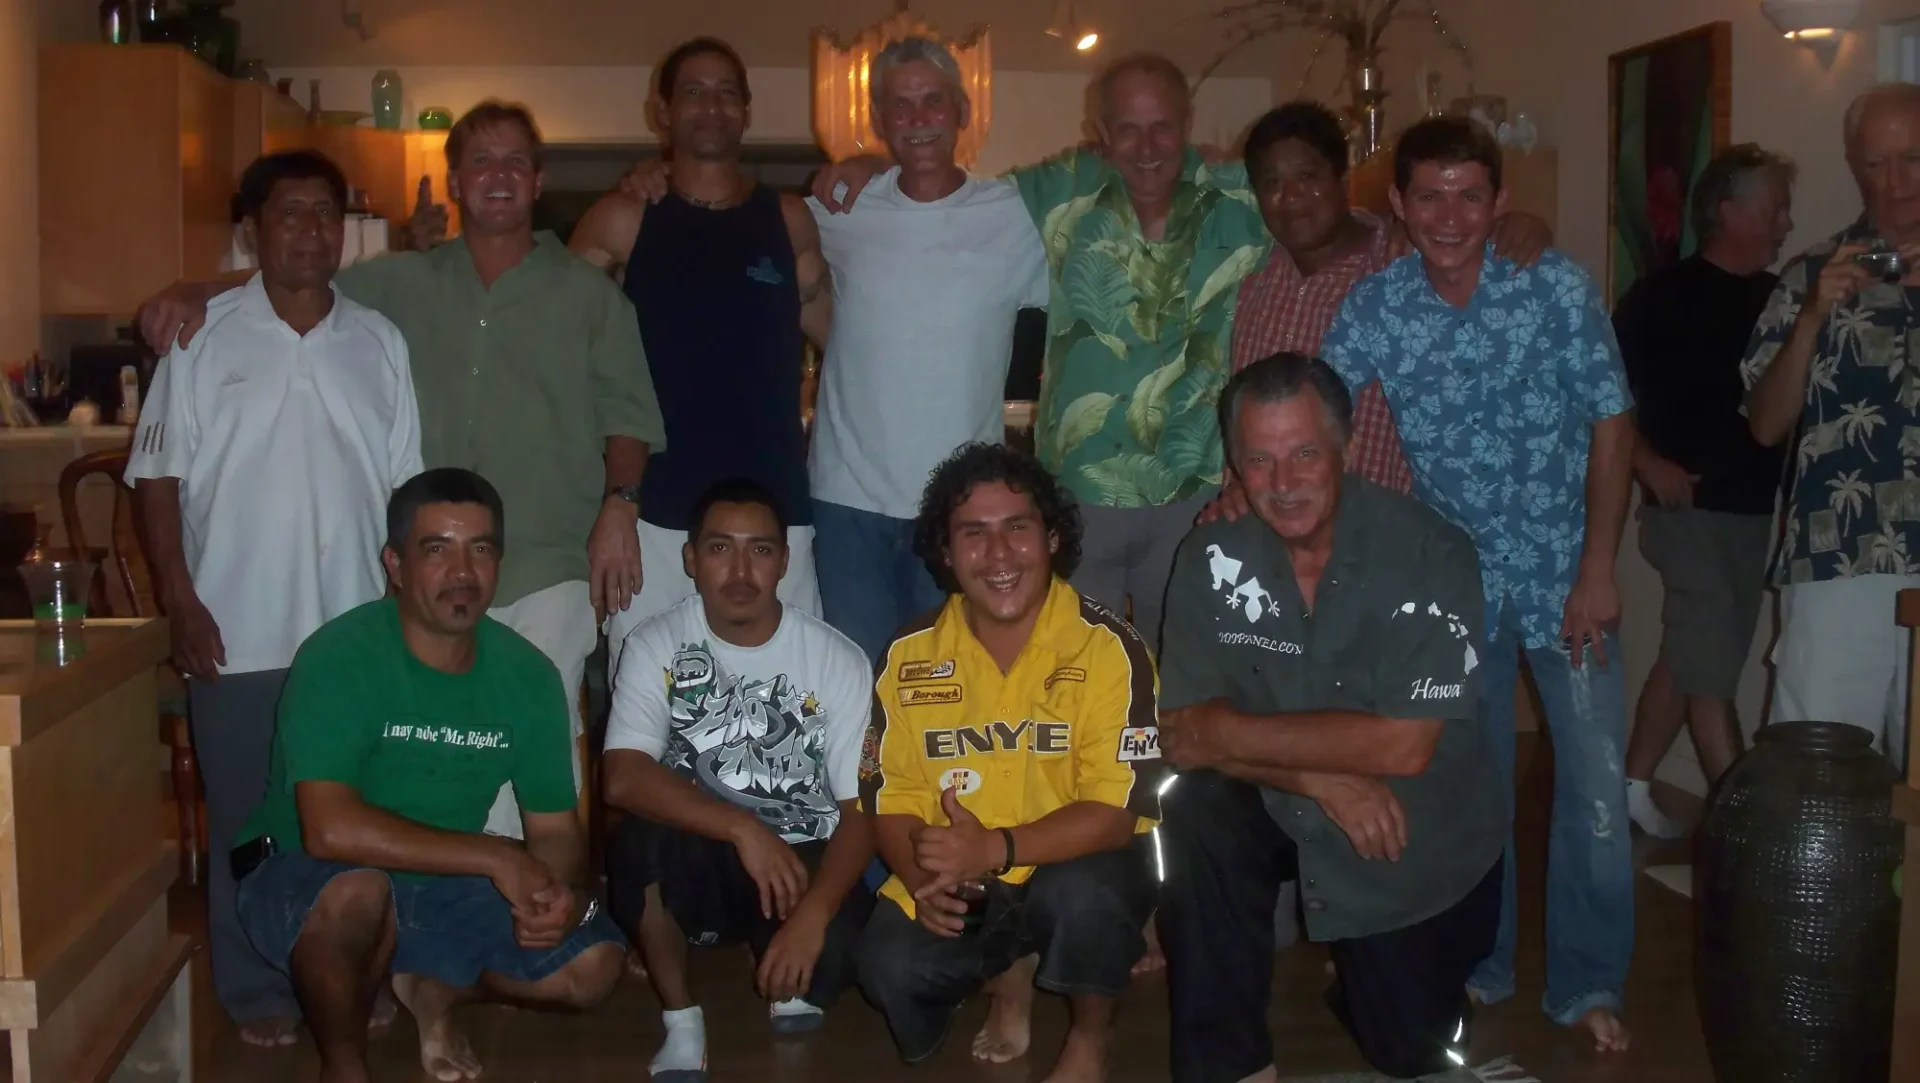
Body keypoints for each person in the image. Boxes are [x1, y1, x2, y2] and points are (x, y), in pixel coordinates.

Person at [137, 101, 667, 842]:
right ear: (454, 180)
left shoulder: (590, 297)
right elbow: (298, 268)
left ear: (539, 179)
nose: (498, 176)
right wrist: (198, 288)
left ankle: (535, 933)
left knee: (530, 753)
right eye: (480, 161)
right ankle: (436, 930)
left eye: (515, 160)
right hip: (426, 576)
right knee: (421, 763)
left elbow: (630, 418)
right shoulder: (397, 285)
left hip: (547, 563)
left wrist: (620, 507)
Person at [1320, 116, 1636, 1051]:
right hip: (1456, 591)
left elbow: (1613, 424)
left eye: (1469, 194)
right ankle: (1482, 960)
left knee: (1594, 790)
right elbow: (1317, 408)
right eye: (1430, 195)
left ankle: (1587, 981)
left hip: (1569, 581)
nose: (1450, 214)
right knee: (1470, 789)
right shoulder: (1378, 308)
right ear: (1400, 206)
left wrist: (1600, 568)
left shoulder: (1552, 285)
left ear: (1499, 201)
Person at [816, 53, 1269, 651]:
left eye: (1163, 125)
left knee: (1187, 671)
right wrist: (867, 161)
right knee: (1060, 670)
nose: (1147, 144)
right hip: (1068, 493)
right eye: (1127, 128)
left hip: (1193, 488)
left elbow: (1331, 229)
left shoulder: (1238, 196)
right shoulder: (1046, 197)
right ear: (1101, 133)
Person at [124, 149, 422, 1049]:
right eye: (288, 214)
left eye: (324, 214)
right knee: (249, 823)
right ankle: (256, 983)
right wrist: (178, 595)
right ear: (254, 231)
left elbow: (406, 488)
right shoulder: (201, 335)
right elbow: (158, 475)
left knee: (357, 819)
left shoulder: (379, 340)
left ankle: (355, 973)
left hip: (356, 632)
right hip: (236, 627)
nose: (309, 231)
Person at [1155, 352, 1503, 1082]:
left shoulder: (1432, 552)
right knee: (1196, 806)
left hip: (1416, 826)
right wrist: (1321, 776)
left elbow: (1404, 747)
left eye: (1305, 453)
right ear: (1234, 466)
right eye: (1260, 459)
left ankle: (1385, 987)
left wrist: (1230, 732)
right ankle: (1229, 1062)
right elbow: (1186, 734)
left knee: (1414, 1049)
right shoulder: (1211, 554)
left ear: (1348, 446)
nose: (1283, 483)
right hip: (1291, 798)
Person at [230, 468, 624, 1083]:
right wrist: (496, 859)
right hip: (304, 873)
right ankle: (344, 1064)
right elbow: (329, 830)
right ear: (395, 563)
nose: (462, 571)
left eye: (481, 549)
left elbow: (555, 829)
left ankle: (431, 987)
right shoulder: (338, 657)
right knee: (359, 894)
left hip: (441, 884)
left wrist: (556, 893)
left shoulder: (527, 676)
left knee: (593, 964)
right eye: (437, 549)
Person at [855, 442, 1161, 1083]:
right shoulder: (906, 656)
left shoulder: (1111, 648)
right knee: (887, 968)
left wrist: (994, 847)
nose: (997, 555)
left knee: (1086, 896)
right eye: (974, 533)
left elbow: (1114, 813)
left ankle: (1089, 1038)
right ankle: (1008, 977)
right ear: (945, 550)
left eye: (1017, 528)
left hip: (1072, 863)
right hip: (968, 878)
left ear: (1051, 537)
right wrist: (920, 882)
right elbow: (890, 797)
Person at [570, 37, 829, 672]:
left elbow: (842, 337)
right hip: (654, 514)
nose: (710, 106)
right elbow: (555, 341)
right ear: (663, 111)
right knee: (651, 707)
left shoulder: (789, 218)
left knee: (786, 705)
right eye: (693, 91)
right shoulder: (623, 219)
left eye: (725, 92)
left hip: (776, 511)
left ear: (746, 109)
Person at [602, 477, 876, 1079]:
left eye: (760, 549)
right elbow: (621, 778)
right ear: (691, 559)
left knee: (840, 963)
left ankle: (785, 962)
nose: (740, 570)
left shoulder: (837, 658)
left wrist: (811, 920)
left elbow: (862, 812)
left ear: (784, 560)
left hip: (801, 850)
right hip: (700, 847)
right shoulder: (656, 645)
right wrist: (742, 830)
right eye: (721, 548)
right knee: (636, 846)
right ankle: (681, 1019)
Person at [1223, 101, 1552, 502]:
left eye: (1307, 176)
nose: (1290, 197)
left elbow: (1467, 231)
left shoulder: (1405, 264)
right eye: (1272, 183)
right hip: (1264, 520)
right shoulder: (1249, 274)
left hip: (1379, 532)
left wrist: (1516, 225)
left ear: (1342, 180)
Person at [1616, 143, 1796, 836]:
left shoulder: (1782, 299)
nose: (1786, 219)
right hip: (1683, 510)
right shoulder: (1661, 296)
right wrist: (1646, 463)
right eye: (1774, 204)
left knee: (1692, 654)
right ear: (1727, 210)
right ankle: (1744, 831)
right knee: (1713, 671)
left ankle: (1631, 785)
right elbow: (1598, 401)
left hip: (1752, 517)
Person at [1743, 82, 1920, 771]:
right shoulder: (1808, 274)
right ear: (1853, 166)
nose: (1896, 184)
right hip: (1837, 558)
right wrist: (1814, 315)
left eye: (1913, 159)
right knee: (1818, 780)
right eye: (1875, 164)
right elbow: (1763, 426)